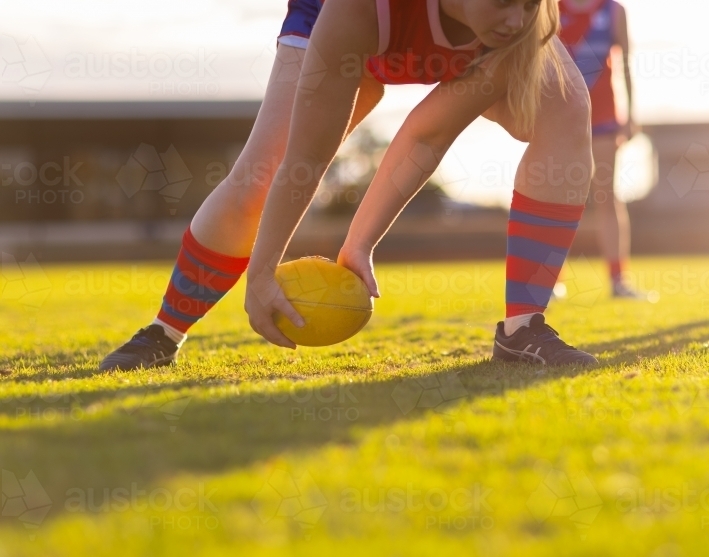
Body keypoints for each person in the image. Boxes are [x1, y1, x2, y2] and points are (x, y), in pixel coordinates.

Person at [100, 0, 598, 372]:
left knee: (567, 103)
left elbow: (428, 134)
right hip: (346, 24)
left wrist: (359, 243)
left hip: (443, 37)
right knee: (262, 175)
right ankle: (164, 332)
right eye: (505, 1)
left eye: (528, 2)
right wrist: (261, 276)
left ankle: (522, 329)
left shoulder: (520, 21)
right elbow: (308, 157)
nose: (517, 17)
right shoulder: (357, 8)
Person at [558, 0, 642, 298]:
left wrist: (631, 115)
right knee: (557, 197)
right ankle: (552, 282)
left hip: (605, 117)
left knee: (606, 196)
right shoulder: (550, 8)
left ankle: (619, 280)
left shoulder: (614, 10)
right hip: (560, 116)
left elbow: (627, 64)